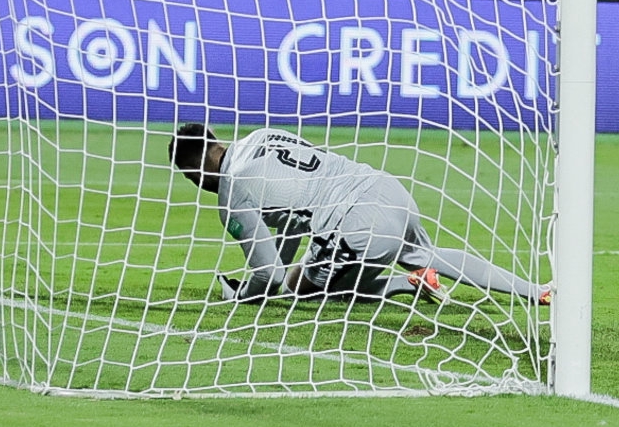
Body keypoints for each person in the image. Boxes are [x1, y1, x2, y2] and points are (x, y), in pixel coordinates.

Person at [168, 122, 551, 305]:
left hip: (355, 224)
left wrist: (244, 296)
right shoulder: (263, 136)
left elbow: (269, 276)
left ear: (193, 170)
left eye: (189, 177)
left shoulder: (232, 192)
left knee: (306, 288)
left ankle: (405, 283)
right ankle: (537, 291)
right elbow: (290, 223)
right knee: (426, 253)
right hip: (387, 189)